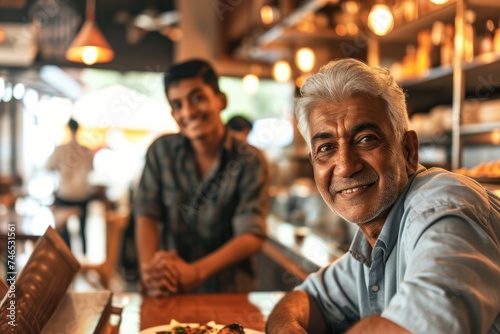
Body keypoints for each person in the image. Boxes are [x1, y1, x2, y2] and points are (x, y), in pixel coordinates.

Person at [266, 58, 500, 333]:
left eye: (366, 139)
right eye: (326, 148)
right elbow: (304, 300)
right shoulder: (376, 241)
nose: (345, 165)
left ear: (408, 151)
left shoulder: (443, 208)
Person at [134, 59, 270, 295]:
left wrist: (196, 272)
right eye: (178, 105)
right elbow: (146, 213)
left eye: (197, 98)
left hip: (229, 294)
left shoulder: (250, 160)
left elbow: (251, 234)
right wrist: (151, 272)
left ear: (221, 100)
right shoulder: (160, 151)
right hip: (170, 290)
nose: (188, 112)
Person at [46, 118, 95, 255]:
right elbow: (91, 169)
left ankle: (67, 258)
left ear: (68, 129)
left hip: (65, 194)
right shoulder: (85, 149)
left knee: (63, 229)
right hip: (82, 194)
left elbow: (48, 166)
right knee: (83, 229)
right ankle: (84, 257)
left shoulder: (61, 149)